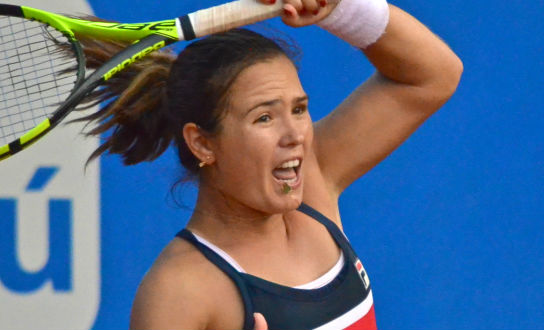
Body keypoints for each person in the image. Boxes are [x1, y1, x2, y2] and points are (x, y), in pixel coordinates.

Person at [80, 0, 462, 328]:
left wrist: (339, 9)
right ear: (201, 142)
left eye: (299, 109)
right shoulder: (180, 291)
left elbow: (431, 77)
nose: (295, 134)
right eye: (264, 117)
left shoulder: (314, 182)